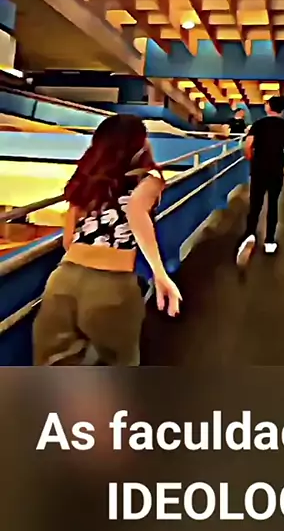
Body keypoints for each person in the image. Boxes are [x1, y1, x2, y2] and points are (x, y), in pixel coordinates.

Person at [33, 114, 181, 366]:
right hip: (112, 285)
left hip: (63, 281)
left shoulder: (87, 179)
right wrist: (160, 273)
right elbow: (136, 209)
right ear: (139, 143)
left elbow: (68, 239)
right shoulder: (150, 178)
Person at [236, 95, 284, 264]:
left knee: (255, 203)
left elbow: (248, 145)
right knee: (273, 204)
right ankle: (270, 241)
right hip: (276, 169)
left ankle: (250, 234)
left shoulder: (258, 124)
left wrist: (252, 159)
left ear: (269, 107)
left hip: (258, 169)